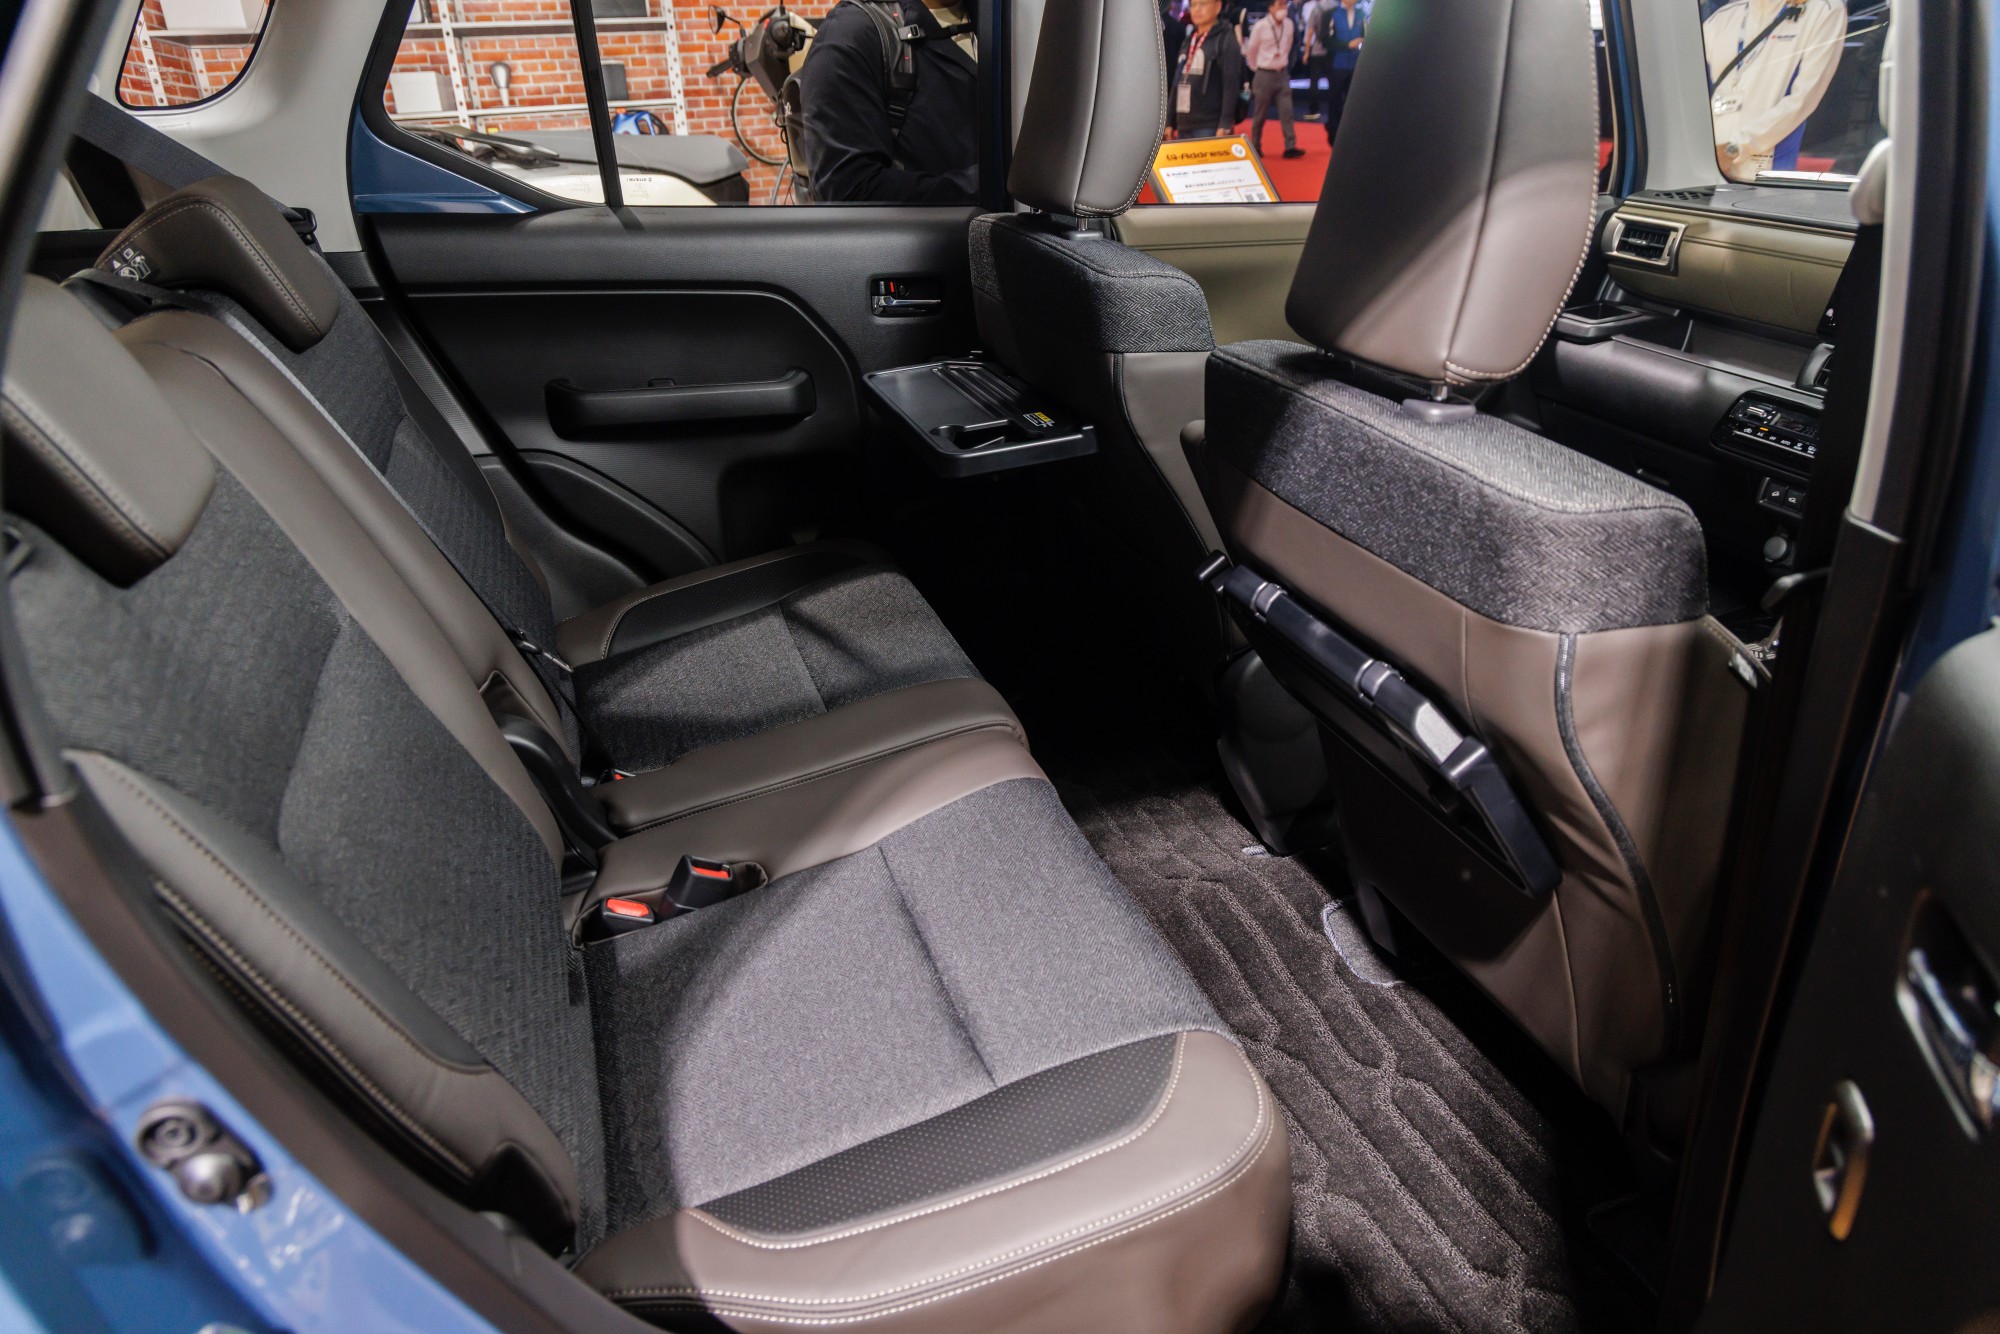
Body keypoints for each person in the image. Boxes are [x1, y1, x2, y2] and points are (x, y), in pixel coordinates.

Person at [795, 0, 979, 202]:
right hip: (950, 222)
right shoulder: (850, 34)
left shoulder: (995, 18)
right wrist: (986, 188)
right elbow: (850, 192)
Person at [1702, 0, 1848, 179]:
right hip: (1709, 168)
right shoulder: (1720, 18)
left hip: (1767, 170)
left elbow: (1802, 100)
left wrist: (1733, 149)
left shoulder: (1823, 10)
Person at [1168, 0, 1244, 140]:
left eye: (1203, 4)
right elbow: (1176, 82)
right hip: (1184, 121)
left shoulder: (1225, 39)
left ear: (1217, 6)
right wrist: (1169, 121)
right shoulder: (1188, 40)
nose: (1197, 9)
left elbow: (1231, 85)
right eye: (1193, 5)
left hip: (1209, 124)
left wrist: (1225, 123)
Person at [1243, 0, 1304, 158]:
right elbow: (1251, 51)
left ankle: (1290, 146)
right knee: (1260, 113)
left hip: (1282, 74)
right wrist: (1258, 68)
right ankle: (1255, 145)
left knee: (1287, 111)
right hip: (1264, 74)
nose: (1283, 8)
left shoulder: (1289, 24)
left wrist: (1284, 63)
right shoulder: (1260, 26)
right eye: (1280, 5)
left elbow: (1289, 45)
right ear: (1271, 8)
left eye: (1285, 5)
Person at [1321, 0, 1365, 146]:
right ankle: (1333, 135)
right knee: (1335, 101)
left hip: (1355, 66)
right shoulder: (1331, 14)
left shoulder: (1361, 14)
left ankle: (1350, 136)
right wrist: (1347, 45)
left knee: (1352, 103)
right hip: (1336, 65)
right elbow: (1325, 39)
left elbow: (1365, 36)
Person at [1299, 0, 1331, 122]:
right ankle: (1335, 109)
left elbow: (1310, 30)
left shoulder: (1314, 8)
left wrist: (1307, 52)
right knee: (1333, 81)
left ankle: (1314, 110)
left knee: (1314, 81)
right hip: (1331, 49)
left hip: (1316, 48)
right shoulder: (1334, 6)